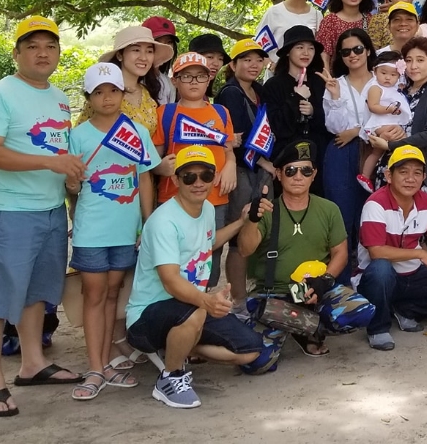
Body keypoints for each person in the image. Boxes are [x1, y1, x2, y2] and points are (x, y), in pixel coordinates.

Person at [0, 16, 83, 418]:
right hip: (9, 212)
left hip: (50, 211)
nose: (42, 53)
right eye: (32, 46)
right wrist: (51, 163)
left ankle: (33, 364)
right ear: (17, 53)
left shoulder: (59, 97)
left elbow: (60, 154)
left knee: (37, 294)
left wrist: (68, 178)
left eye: (50, 46)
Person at [124, 147, 275, 410]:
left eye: (206, 175)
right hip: (147, 316)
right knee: (195, 312)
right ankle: (170, 378)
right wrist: (207, 302)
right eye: (189, 177)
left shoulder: (205, 208)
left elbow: (208, 243)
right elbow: (170, 281)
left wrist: (242, 221)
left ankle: (183, 346)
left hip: (191, 309)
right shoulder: (163, 222)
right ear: (175, 180)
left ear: (213, 178)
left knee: (251, 351)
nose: (198, 183)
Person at [68, 63, 157, 400]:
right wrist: (71, 183)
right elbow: (71, 186)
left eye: (113, 91)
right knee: (93, 294)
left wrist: (147, 223)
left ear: (123, 93)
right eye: (99, 92)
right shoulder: (78, 135)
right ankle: (94, 367)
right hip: (91, 228)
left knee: (112, 294)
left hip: (126, 230)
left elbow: (144, 177)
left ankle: (105, 365)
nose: (107, 98)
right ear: (88, 97)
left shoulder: (137, 131)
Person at [235, 141, 374, 357]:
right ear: (279, 174)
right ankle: (301, 327)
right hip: (273, 294)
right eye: (291, 171)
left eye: (305, 171)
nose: (298, 176)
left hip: (314, 289)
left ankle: (302, 327)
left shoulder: (329, 209)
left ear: (314, 174)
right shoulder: (266, 209)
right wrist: (252, 221)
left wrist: (324, 281)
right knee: (257, 363)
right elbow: (244, 250)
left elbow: (340, 253)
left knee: (362, 311)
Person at [356, 145, 427, 350]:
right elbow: (376, 251)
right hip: (376, 277)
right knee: (381, 269)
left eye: (417, 173)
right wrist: (419, 253)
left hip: (411, 273)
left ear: (424, 177)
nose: (411, 178)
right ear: (389, 176)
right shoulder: (376, 203)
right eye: (403, 172)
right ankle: (378, 328)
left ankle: (404, 309)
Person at [154, 53, 241, 286]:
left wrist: (231, 164)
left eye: (200, 76)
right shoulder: (165, 113)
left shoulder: (221, 112)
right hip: (174, 198)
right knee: (175, 256)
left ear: (209, 79)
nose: (194, 82)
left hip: (215, 197)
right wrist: (160, 167)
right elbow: (154, 158)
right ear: (175, 80)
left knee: (210, 256)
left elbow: (228, 148)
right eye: (187, 76)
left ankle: (206, 301)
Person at [318, 29, 381, 249]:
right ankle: (342, 268)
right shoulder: (336, 84)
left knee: (372, 214)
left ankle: (370, 268)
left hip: (376, 150)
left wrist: (357, 131)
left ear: (368, 50)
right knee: (341, 213)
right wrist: (335, 96)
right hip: (342, 151)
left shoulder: (383, 80)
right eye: (346, 52)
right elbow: (335, 128)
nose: (352, 55)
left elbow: (393, 117)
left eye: (358, 49)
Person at [367, 37, 427, 194]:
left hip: (418, 174)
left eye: (420, 60)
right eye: (408, 60)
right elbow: (376, 118)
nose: (413, 66)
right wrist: (380, 134)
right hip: (389, 168)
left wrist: (391, 145)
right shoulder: (398, 90)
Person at [214, 39, 275, 241]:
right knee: (238, 231)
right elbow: (237, 136)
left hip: (258, 169)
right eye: (247, 60)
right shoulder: (231, 93)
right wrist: (263, 161)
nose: (254, 65)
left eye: (258, 60)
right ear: (233, 65)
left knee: (261, 228)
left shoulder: (259, 90)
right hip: (240, 168)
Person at [261, 26, 328, 169]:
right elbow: (275, 126)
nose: (306, 53)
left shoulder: (319, 82)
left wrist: (313, 112)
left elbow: (331, 123)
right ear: (287, 52)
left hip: (318, 157)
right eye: (299, 47)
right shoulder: (273, 85)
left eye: (311, 48)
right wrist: (296, 98)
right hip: (285, 157)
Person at [94, 25, 174, 129]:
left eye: (149, 51)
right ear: (119, 55)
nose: (144, 58)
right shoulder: (103, 93)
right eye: (136, 50)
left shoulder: (147, 93)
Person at [316, 0, 375, 71]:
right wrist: (327, 77)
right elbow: (324, 55)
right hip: (337, 77)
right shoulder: (329, 21)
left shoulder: (371, 20)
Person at [143, 16, 180, 105]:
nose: (164, 47)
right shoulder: (132, 80)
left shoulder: (169, 83)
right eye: (157, 41)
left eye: (169, 42)